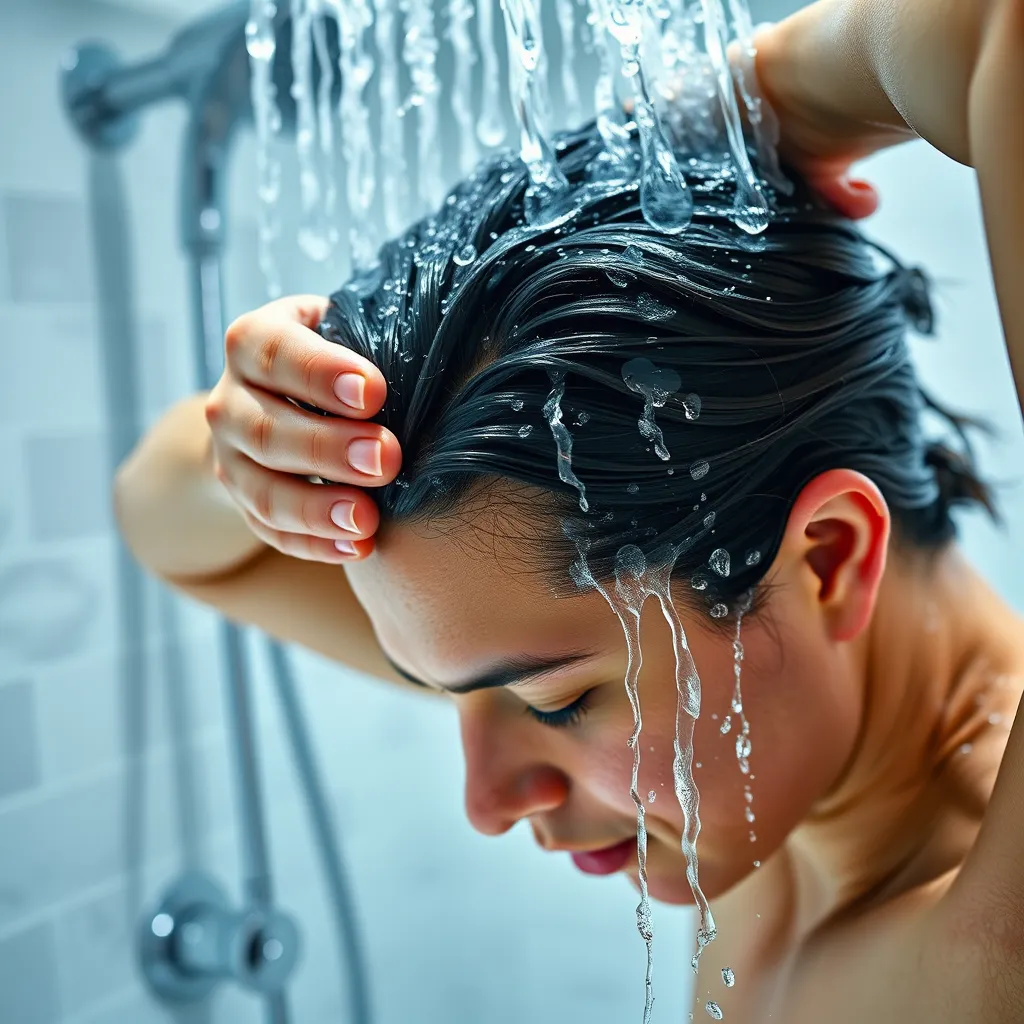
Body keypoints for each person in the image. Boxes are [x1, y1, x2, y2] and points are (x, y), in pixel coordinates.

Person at [114, 0, 1024, 1019]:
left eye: (553, 702)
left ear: (824, 557)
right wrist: (268, 449)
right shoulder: (735, 729)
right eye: (446, 686)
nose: (486, 804)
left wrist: (745, 97)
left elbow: (993, 29)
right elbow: (164, 516)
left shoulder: (990, 944)